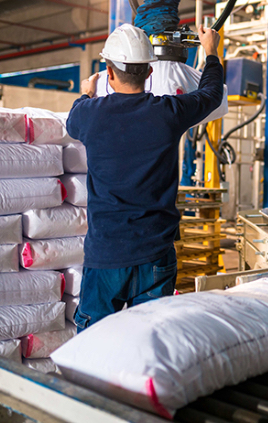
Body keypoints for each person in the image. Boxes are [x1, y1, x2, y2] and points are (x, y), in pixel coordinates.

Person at [66, 24, 223, 331]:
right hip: (156, 253)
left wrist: (86, 91)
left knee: (93, 341)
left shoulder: (90, 113)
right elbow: (211, 95)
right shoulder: (168, 113)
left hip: (107, 254)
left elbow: (74, 116)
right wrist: (211, 51)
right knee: (151, 339)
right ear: (149, 73)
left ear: (109, 72)